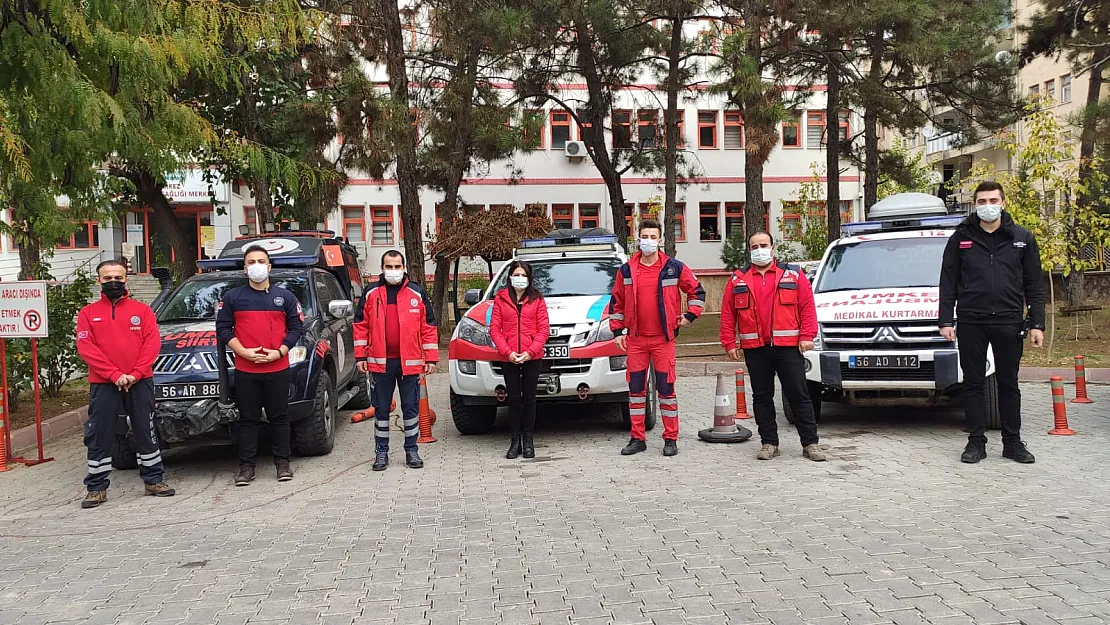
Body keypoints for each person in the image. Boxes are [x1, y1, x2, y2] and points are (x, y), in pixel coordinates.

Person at [939, 180, 1045, 464]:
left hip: (1009, 321)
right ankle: (976, 442)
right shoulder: (960, 237)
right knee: (973, 384)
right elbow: (948, 281)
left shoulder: (1021, 237)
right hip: (972, 321)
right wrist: (945, 319)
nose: (988, 206)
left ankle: (1013, 443)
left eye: (993, 201)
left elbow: (1034, 284)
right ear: (976, 204)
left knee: (1008, 384)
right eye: (982, 202)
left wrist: (1037, 323)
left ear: (1003, 203)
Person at [76, 259, 175, 508]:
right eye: (107, 278)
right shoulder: (88, 313)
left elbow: (152, 345)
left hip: (139, 381)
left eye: (118, 278)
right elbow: (86, 349)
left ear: (126, 279)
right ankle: (96, 488)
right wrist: (114, 375)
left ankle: (154, 480)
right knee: (99, 433)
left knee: (146, 430)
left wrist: (135, 373)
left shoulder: (142, 311)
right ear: (98, 280)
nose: (113, 282)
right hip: (104, 383)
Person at [720, 231, 825, 462]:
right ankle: (769, 443)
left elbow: (807, 307)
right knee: (762, 397)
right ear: (749, 250)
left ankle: (810, 444)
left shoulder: (793, 275)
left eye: (763, 245)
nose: (759, 249)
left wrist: (807, 335)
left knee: (799, 395)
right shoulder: (738, 279)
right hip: (755, 349)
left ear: (773, 247)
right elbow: (727, 314)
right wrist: (728, 341)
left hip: (788, 347)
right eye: (754, 246)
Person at [609, 218, 706, 457]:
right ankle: (637, 438)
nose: (649, 241)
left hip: (663, 340)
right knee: (635, 391)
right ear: (638, 239)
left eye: (653, 237)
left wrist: (690, 315)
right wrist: (617, 331)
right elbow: (616, 302)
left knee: (666, 389)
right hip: (636, 340)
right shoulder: (626, 270)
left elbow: (697, 291)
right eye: (645, 237)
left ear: (660, 240)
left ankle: (670, 439)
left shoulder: (674, 267)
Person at [216, 245, 305, 486]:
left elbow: (297, 328)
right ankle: (246, 468)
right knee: (247, 420)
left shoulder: (285, 297)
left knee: (279, 418)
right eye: (251, 261)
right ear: (245, 269)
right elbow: (223, 329)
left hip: (277, 368)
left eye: (261, 261)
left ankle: (283, 464)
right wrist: (243, 352)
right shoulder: (233, 297)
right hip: (246, 370)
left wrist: (279, 352)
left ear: (269, 266)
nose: (257, 265)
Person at [353, 250, 438, 471]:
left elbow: (428, 327)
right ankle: (381, 452)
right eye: (389, 267)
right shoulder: (371, 293)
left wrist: (431, 358)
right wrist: (361, 355)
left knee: (410, 409)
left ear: (404, 267)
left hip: (409, 363)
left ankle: (412, 450)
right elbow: (360, 326)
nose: (393, 271)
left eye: (397, 266)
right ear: (382, 268)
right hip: (380, 363)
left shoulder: (416, 292)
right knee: (381, 409)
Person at [489, 260, 550, 459]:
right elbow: (494, 329)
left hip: (532, 356)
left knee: (529, 399)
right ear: (510, 277)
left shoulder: (537, 299)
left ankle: (529, 440)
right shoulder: (501, 298)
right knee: (514, 400)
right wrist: (508, 352)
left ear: (530, 278)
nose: (520, 278)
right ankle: (515, 441)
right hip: (509, 357)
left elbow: (543, 330)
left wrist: (530, 352)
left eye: (524, 275)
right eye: (517, 274)